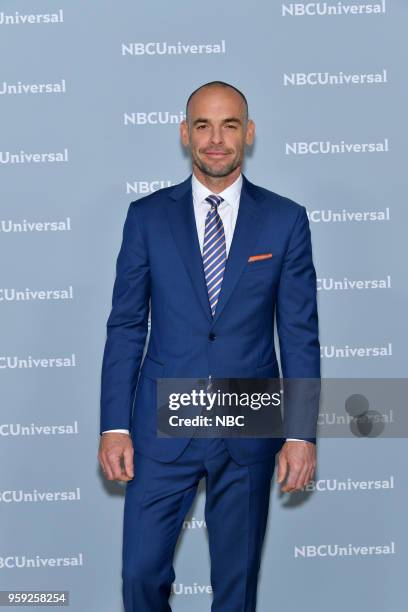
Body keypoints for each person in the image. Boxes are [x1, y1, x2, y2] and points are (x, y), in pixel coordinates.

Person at [98, 81, 320, 611]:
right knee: (140, 574)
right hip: (162, 423)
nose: (216, 139)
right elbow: (126, 325)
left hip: (248, 420)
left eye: (228, 125)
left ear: (249, 133)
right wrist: (114, 426)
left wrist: (301, 434)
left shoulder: (285, 219)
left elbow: (299, 334)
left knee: (236, 587)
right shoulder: (147, 217)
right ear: (184, 133)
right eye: (203, 125)